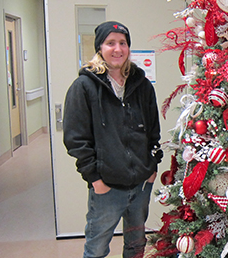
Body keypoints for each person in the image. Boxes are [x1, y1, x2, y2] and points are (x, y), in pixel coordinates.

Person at [63, 21, 162, 258]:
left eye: (123, 43)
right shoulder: (84, 87)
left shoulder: (142, 85)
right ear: (100, 48)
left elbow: (152, 131)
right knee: (96, 249)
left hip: (140, 184)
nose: (117, 49)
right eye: (110, 43)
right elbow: (76, 139)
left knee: (136, 244)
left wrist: (152, 167)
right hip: (106, 187)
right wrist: (95, 179)